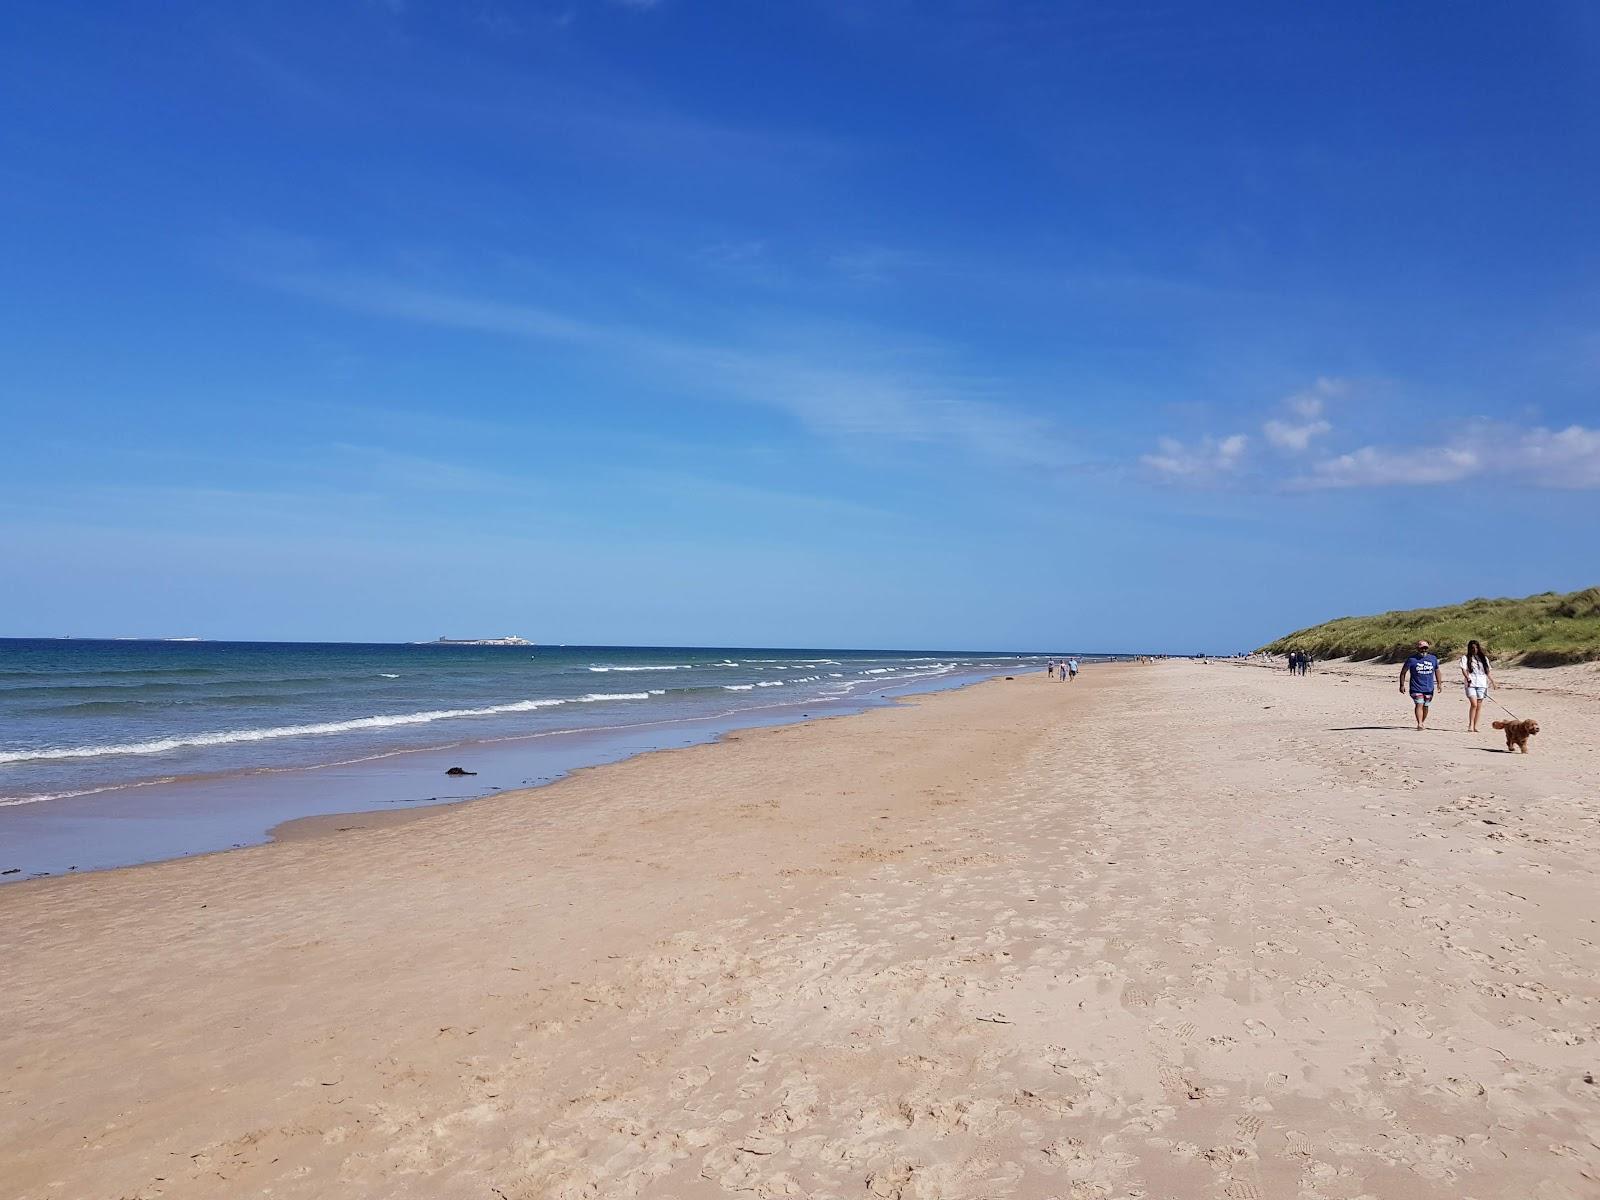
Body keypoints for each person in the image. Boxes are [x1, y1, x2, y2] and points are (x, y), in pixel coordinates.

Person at [1398, 639, 1441, 730]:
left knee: (1426, 705)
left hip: (1429, 688)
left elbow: (1437, 671)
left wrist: (1439, 684)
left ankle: (1422, 721)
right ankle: (1420, 723)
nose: (1424, 650)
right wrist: (1402, 685)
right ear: (1418, 649)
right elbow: (1403, 672)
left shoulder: (1433, 658)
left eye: (1425, 648)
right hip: (1416, 687)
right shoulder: (1411, 660)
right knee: (1419, 704)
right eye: (1422, 648)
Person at [1459, 639, 1494, 733]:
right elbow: (1464, 670)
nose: (1474, 649)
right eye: (1472, 648)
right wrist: (1467, 677)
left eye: (1476, 647)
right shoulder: (1465, 658)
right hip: (1471, 683)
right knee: (1474, 704)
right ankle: (1470, 725)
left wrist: (1493, 682)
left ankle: (1475, 726)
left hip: (1482, 684)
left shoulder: (1484, 658)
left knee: (1479, 706)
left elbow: (1487, 671)